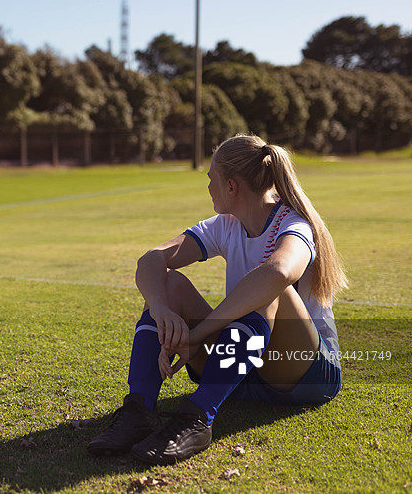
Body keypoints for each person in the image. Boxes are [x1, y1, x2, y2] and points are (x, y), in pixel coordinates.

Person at [87, 134, 347, 464]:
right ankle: (139, 409)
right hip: (244, 367)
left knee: (270, 292)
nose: (208, 187)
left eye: (211, 179)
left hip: (304, 373)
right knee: (169, 284)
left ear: (231, 186)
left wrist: (197, 334)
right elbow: (151, 260)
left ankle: (198, 418)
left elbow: (280, 273)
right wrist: (160, 307)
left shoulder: (293, 223)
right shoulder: (226, 225)